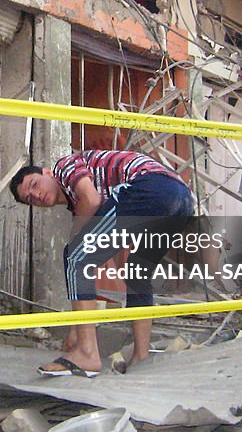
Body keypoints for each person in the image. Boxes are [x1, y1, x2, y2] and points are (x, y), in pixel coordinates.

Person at [11, 149, 193, 377]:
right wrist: (75, 330)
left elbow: (92, 199)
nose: (36, 195)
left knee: (75, 254)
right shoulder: (82, 203)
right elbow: (96, 266)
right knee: (136, 274)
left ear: (47, 172)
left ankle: (87, 354)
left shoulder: (64, 166)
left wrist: (76, 242)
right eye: (29, 198)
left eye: (35, 184)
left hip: (152, 188)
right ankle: (141, 357)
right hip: (181, 200)